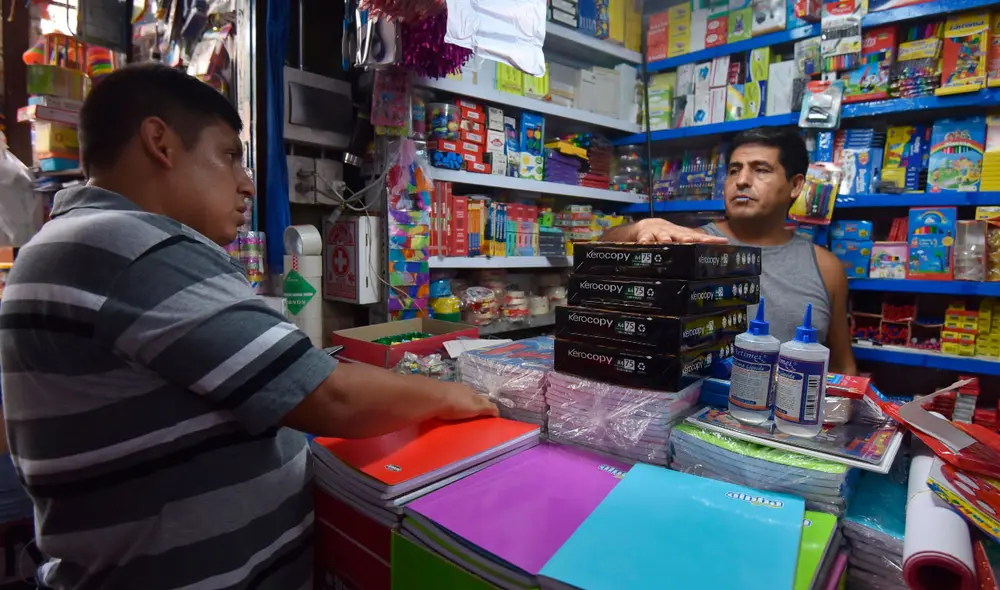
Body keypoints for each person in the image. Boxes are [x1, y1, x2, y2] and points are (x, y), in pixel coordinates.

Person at [0, 64, 498, 590]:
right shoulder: (124, 246)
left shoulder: (70, 241)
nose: (246, 184)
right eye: (229, 156)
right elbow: (332, 398)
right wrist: (452, 396)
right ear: (159, 143)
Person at [603, 127, 857, 375]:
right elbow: (598, 258)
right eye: (734, 170)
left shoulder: (825, 267)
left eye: (761, 170)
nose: (742, 181)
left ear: (795, 185)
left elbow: (842, 366)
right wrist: (639, 228)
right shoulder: (693, 244)